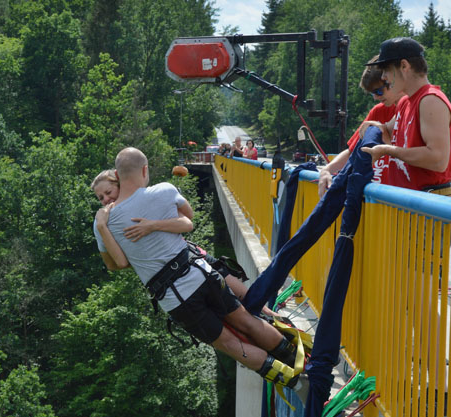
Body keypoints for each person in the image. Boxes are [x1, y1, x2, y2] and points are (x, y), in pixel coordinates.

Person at [93, 148, 302, 390]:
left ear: (117, 176)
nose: (106, 199)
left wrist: (102, 227)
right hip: (201, 271)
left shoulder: (105, 222)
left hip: (176, 298)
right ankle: (298, 356)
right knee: (247, 321)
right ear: (144, 170)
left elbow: (117, 264)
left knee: (231, 345)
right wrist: (157, 226)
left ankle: (294, 382)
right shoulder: (165, 190)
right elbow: (188, 219)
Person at [90, 169, 253, 303]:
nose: (105, 199)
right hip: (174, 273)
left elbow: (187, 223)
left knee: (244, 297)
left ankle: (268, 314)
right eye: (100, 198)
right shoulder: (104, 223)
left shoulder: (147, 199)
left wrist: (153, 226)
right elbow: (113, 264)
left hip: (190, 255)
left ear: (121, 185)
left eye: (108, 192)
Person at [360, 37, 451, 196]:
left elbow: (438, 160)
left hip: (429, 202)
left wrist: (388, 150)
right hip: (411, 201)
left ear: (404, 66)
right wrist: (376, 127)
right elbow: (387, 130)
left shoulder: (430, 100)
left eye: (386, 70)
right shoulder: (405, 102)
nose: (384, 77)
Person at [318, 54, 406, 197]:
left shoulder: (417, 109)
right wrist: (327, 170)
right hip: (381, 200)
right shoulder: (379, 111)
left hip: (404, 198)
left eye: (378, 91)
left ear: (391, 81)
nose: (376, 98)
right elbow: (353, 150)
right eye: (372, 94)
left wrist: (385, 139)